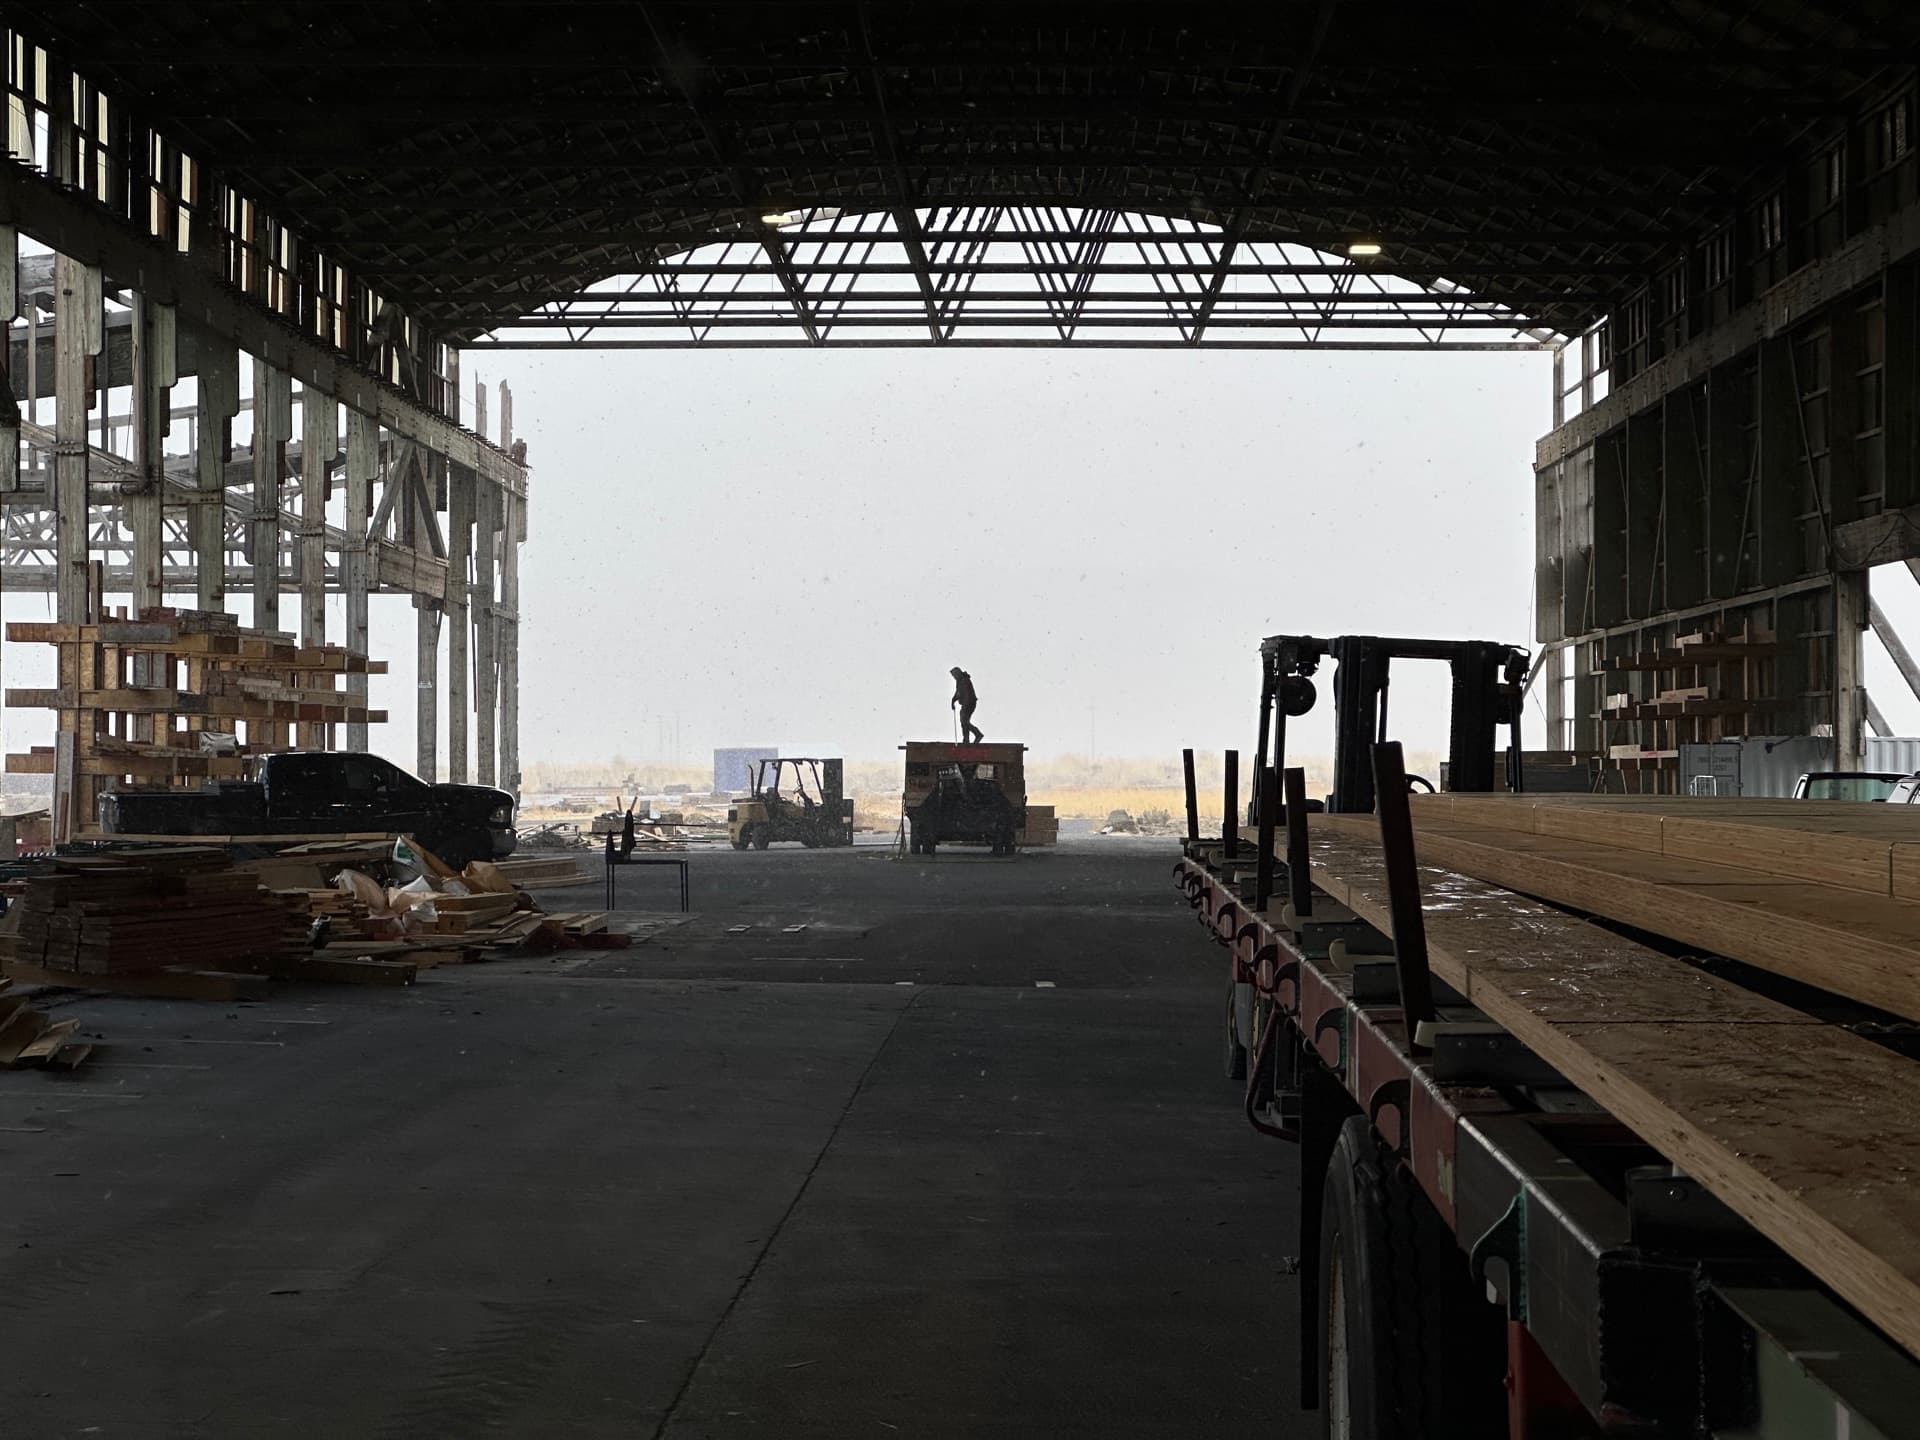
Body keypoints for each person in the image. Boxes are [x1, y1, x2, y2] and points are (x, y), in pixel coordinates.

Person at [950, 666, 983, 743]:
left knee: (964, 721)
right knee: (964, 721)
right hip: (967, 703)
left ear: (958, 673)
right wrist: (953, 700)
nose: (954, 677)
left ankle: (977, 734)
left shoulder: (964, 680)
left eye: (954, 675)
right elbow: (958, 693)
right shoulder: (960, 681)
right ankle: (966, 739)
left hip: (969, 703)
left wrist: (965, 703)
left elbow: (966, 692)